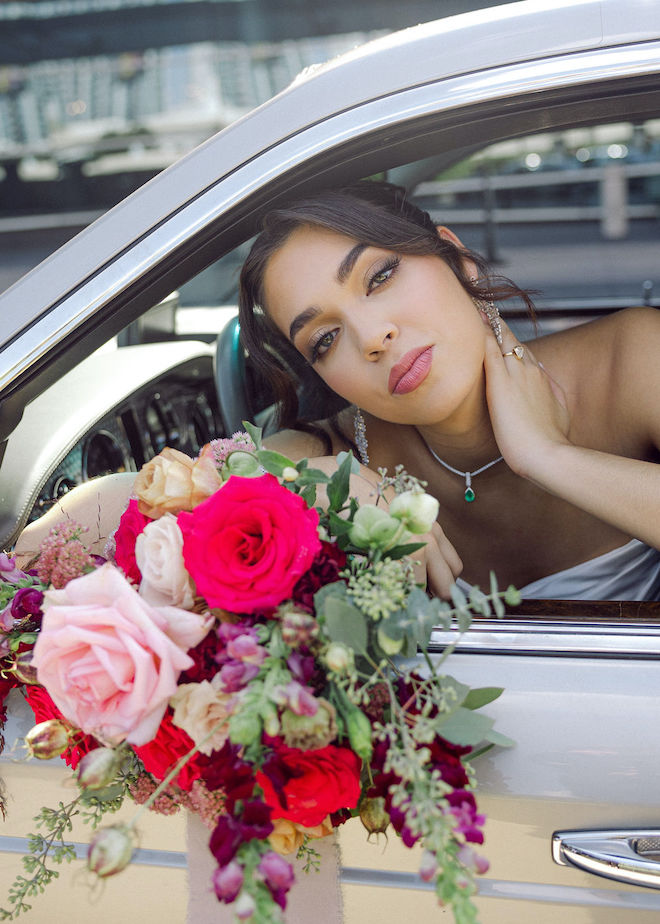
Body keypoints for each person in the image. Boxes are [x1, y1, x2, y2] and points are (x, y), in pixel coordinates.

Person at [238, 179, 660, 601]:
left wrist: (547, 456)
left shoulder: (634, 356)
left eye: (380, 277)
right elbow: (214, 494)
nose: (371, 337)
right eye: (324, 340)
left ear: (457, 260)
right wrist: (310, 486)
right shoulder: (333, 454)